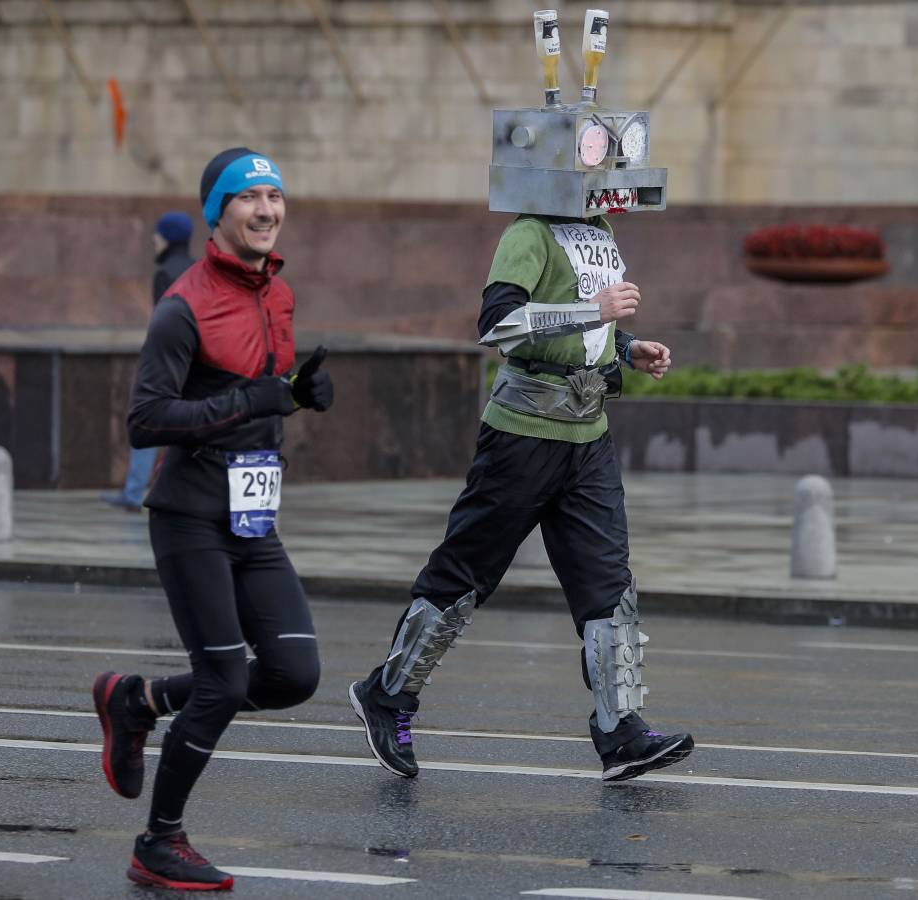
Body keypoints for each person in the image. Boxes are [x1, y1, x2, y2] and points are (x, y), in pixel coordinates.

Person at [347, 17, 695, 785]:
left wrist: (627, 351)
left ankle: (620, 729)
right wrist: (596, 317)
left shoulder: (599, 226)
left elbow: (587, 323)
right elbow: (499, 326)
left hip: (586, 435)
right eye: (594, 155)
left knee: (608, 586)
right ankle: (387, 693)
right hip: (522, 436)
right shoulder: (527, 233)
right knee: (467, 574)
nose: (609, 174)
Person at [91, 148, 334, 891]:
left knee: (293, 673)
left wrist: (297, 394)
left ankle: (140, 700)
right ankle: (158, 843)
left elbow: (262, 390)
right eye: (248, 198)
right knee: (224, 681)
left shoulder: (278, 294)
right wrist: (258, 401)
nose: (266, 210)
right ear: (216, 213)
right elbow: (146, 420)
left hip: (254, 519)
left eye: (274, 196)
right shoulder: (182, 306)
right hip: (190, 515)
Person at [101, 211, 194, 511]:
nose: (154, 239)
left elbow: (162, 323)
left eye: (158, 234)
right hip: (195, 361)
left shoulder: (165, 272)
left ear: (167, 237)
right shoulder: (196, 269)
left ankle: (133, 492)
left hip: (168, 363)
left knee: (148, 419)